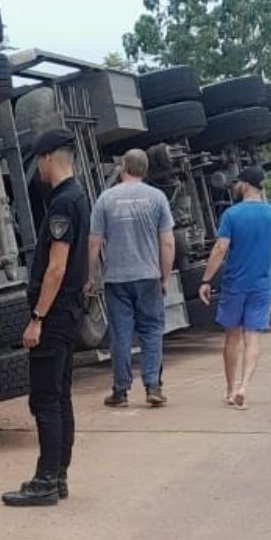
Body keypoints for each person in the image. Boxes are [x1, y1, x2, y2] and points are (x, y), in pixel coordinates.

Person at [2, 127, 89, 507]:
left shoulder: (62, 203)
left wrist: (37, 316)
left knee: (45, 399)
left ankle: (46, 479)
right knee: (61, 395)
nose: (37, 166)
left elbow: (56, 266)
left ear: (49, 157)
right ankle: (60, 474)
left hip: (53, 315)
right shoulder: (80, 197)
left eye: (38, 159)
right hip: (69, 310)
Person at [86, 149, 175, 408]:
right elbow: (167, 243)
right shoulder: (157, 198)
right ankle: (153, 386)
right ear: (145, 170)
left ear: (123, 167)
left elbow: (93, 243)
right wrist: (165, 277)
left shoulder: (106, 199)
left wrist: (90, 276)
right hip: (148, 276)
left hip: (117, 279)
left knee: (121, 334)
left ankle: (120, 390)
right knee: (151, 330)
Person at [199, 165, 271, 409]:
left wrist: (206, 279)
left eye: (238, 183)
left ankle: (229, 390)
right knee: (253, 337)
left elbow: (220, 248)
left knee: (232, 336)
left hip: (236, 284)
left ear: (246, 185)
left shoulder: (232, 215)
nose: (236, 186)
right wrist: (266, 271)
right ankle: (244, 386)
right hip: (262, 284)